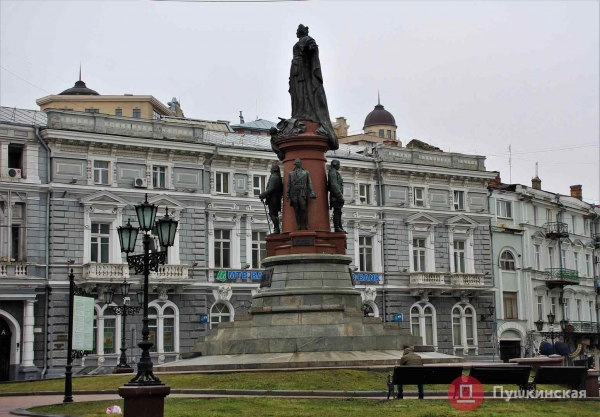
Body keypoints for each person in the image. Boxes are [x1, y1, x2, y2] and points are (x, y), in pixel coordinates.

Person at [289, 24, 338, 151]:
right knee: (296, 93)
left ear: (302, 31)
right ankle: (299, 113)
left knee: (304, 92)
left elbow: (313, 48)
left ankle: (307, 113)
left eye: (298, 30)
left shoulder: (308, 39)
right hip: (295, 69)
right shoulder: (300, 41)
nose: (296, 32)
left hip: (303, 69)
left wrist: (312, 48)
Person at [286, 158, 316, 230]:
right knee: (296, 210)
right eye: (298, 162)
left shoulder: (306, 172)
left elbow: (309, 183)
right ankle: (298, 225)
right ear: (295, 164)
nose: (299, 163)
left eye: (300, 162)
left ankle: (306, 225)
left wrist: (312, 192)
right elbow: (288, 185)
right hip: (294, 193)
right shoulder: (291, 173)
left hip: (302, 192)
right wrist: (287, 195)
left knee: (303, 208)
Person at [259, 164, 284, 234]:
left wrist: (263, 195)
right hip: (276, 198)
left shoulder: (274, 177)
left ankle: (277, 229)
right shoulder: (278, 177)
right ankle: (277, 229)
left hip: (273, 199)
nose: (270, 170)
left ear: (273, 170)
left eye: (271, 169)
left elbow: (271, 188)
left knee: (272, 213)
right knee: (275, 214)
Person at [327, 160, 346, 233]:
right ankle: (337, 227)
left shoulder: (334, 172)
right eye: (338, 164)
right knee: (337, 212)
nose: (339, 166)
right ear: (335, 165)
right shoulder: (332, 173)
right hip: (336, 196)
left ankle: (340, 227)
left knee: (339, 212)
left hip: (336, 196)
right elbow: (333, 185)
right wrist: (339, 196)